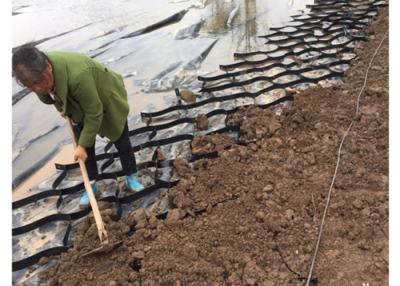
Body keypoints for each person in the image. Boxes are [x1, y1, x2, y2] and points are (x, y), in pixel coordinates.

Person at [12, 46, 144, 208]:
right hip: (78, 105)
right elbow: (50, 97)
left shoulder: (78, 75)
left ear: (48, 66)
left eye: (39, 82)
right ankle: (92, 186)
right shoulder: (39, 76)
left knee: (122, 142)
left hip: (106, 100)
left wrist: (82, 145)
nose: (37, 88)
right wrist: (59, 105)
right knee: (85, 153)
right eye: (30, 86)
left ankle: (131, 177)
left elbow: (94, 113)